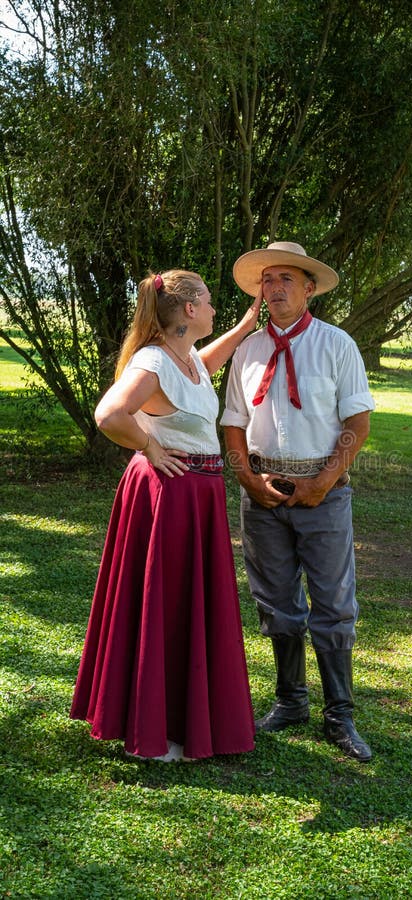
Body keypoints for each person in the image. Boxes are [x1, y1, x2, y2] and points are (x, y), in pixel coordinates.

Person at [70, 269, 260, 761]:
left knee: (184, 605)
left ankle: (181, 722)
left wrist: (242, 328)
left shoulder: (184, 357)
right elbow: (110, 414)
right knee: (167, 606)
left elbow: (200, 373)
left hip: (196, 497)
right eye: (212, 304)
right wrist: (150, 447)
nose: (215, 310)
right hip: (169, 495)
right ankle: (155, 731)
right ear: (191, 310)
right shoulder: (154, 359)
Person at [221, 241, 375, 762]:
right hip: (262, 492)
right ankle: (290, 701)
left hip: (322, 492)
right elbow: (235, 424)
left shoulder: (337, 345)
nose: (276, 288)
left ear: (309, 288)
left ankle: (340, 715)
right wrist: (247, 481)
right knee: (276, 601)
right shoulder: (246, 351)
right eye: (268, 280)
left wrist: (323, 482)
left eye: (287, 278)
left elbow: (357, 423)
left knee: (333, 603)